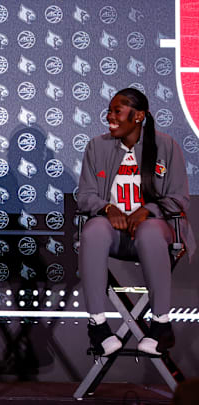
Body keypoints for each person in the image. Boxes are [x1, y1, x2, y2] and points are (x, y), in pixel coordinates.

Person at [77, 88, 195, 356]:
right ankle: (98, 326)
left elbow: (179, 198)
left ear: (138, 116)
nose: (110, 116)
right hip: (115, 233)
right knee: (93, 230)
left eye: (117, 111)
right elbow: (85, 196)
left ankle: (161, 325)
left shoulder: (166, 146)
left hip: (154, 231)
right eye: (109, 111)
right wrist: (107, 208)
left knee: (150, 231)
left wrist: (148, 209)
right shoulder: (97, 146)